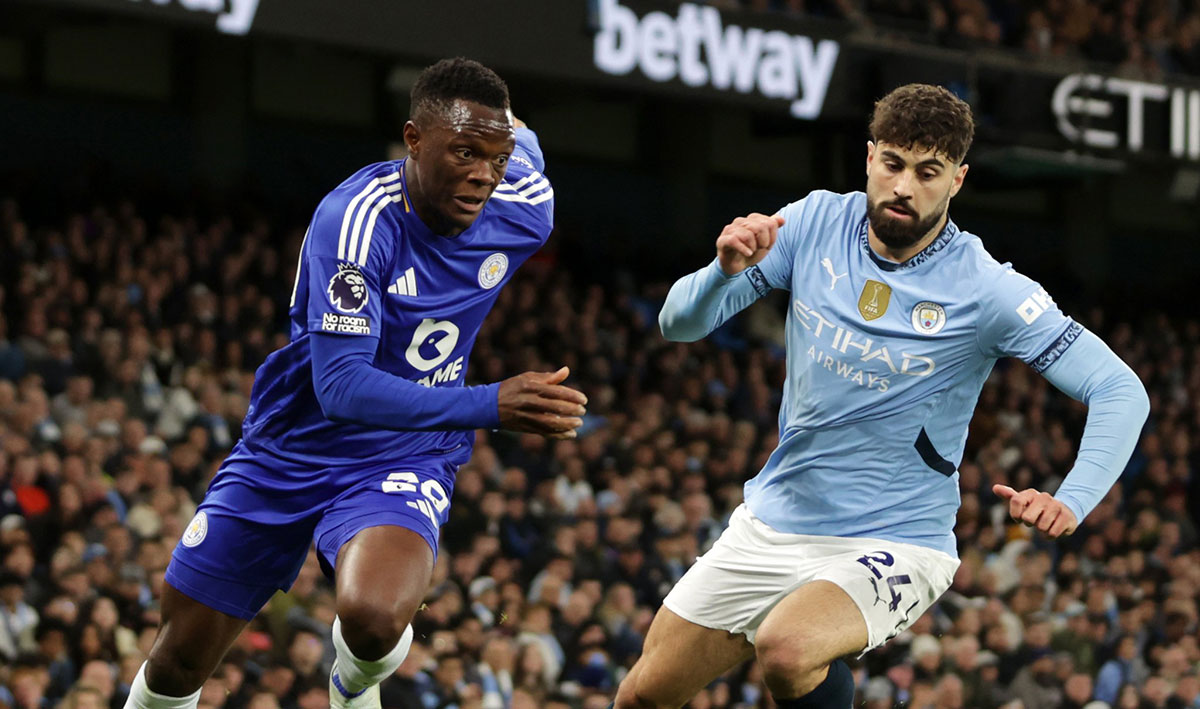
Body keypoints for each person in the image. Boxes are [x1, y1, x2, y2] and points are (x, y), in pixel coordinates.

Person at [614, 84, 1149, 709]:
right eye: (893, 163)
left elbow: (1119, 389)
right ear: (869, 158)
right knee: (641, 696)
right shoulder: (812, 224)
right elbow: (678, 325)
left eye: (928, 172)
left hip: (898, 538)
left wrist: (1072, 499)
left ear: (957, 181)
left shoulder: (987, 289)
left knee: (787, 648)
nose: (904, 186)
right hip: (774, 520)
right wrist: (721, 273)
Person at [123, 57, 587, 709]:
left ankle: (353, 683)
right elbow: (341, 387)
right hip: (291, 447)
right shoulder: (356, 221)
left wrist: (498, 124)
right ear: (412, 140)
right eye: (463, 152)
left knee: (372, 617)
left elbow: (516, 136)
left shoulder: (525, 207)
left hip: (405, 452)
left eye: (497, 158)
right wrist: (491, 403)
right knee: (176, 662)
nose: (484, 175)